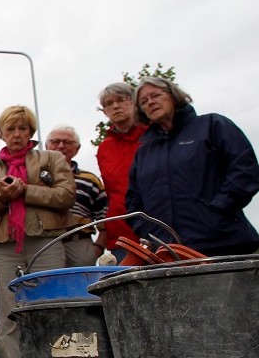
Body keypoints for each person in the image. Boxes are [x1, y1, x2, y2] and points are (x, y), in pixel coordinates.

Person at [0, 106, 75, 358]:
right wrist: (2, 197)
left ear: (31, 132)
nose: (16, 135)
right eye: (11, 129)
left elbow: (67, 196)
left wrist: (25, 191)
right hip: (6, 247)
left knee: (51, 314)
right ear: (1, 134)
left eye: (22, 129)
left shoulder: (52, 159)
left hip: (46, 242)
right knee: (10, 320)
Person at [128, 77, 259, 256]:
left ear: (173, 96)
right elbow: (133, 200)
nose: (151, 102)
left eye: (156, 95)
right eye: (144, 101)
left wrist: (218, 211)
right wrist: (148, 230)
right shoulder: (143, 152)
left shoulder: (212, 125)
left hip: (224, 243)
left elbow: (244, 169)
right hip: (168, 252)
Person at [95, 83, 148, 262]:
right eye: (109, 104)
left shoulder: (154, 136)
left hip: (158, 228)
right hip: (121, 234)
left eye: (121, 100)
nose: (115, 106)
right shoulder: (104, 148)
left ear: (133, 102)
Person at [46, 126, 108, 266]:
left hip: (80, 243)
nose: (61, 146)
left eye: (67, 142)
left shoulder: (90, 180)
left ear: (77, 148)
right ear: (46, 146)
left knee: (83, 286)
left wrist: (97, 249)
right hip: (45, 244)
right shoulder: (35, 177)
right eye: (55, 141)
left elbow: (104, 220)